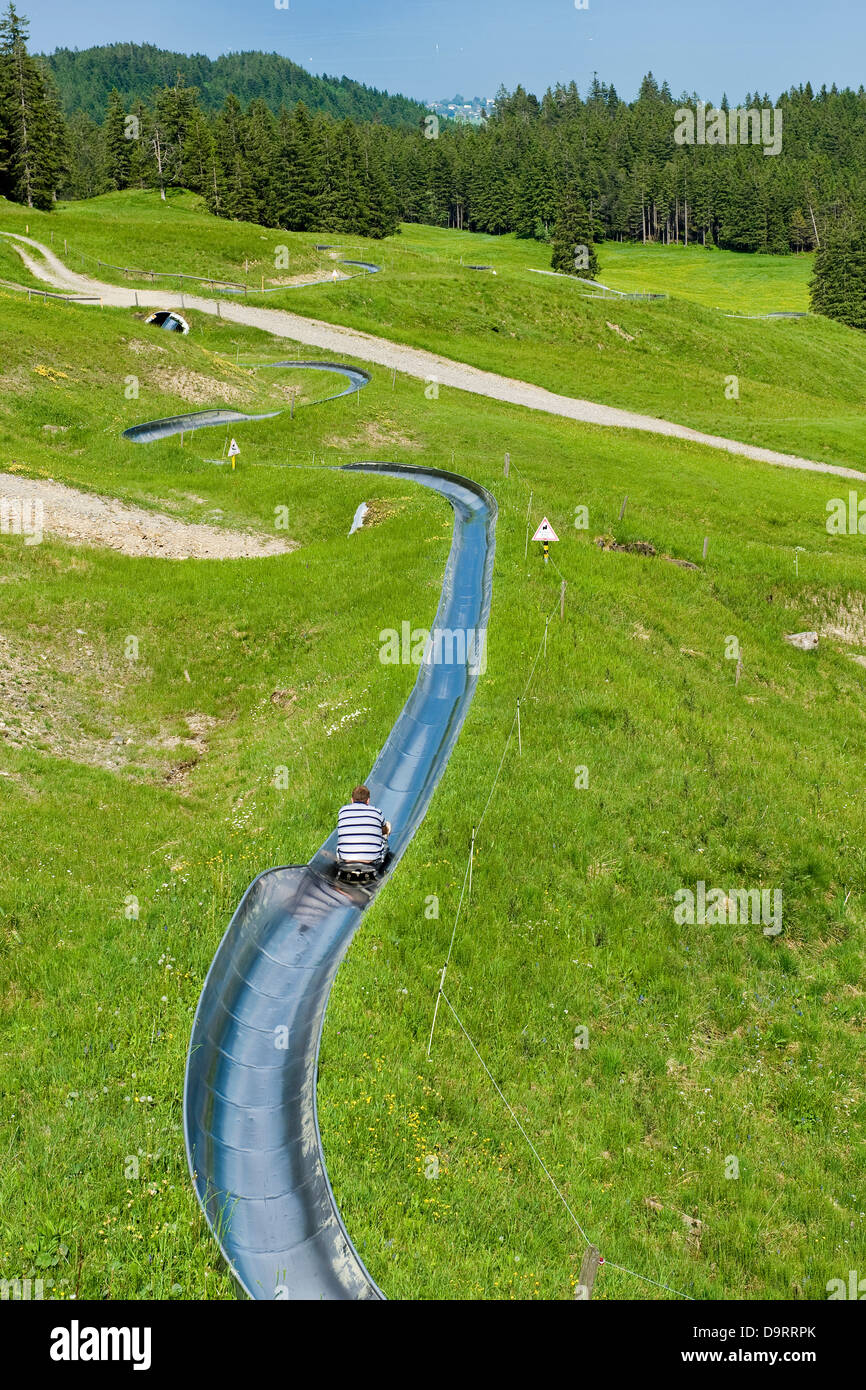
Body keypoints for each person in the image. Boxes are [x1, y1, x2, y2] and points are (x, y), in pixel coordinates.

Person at [337, 785, 390, 867]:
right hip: (371, 859)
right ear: (368, 801)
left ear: (352, 800)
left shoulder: (342, 811)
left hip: (346, 858)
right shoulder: (376, 812)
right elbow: (384, 830)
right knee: (387, 826)